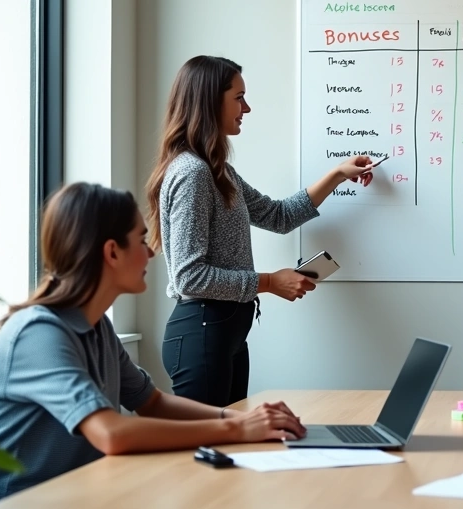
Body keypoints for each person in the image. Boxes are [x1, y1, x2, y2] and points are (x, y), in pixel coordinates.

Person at [0, 182, 307, 509]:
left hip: (75, 502)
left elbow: (152, 402)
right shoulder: (38, 333)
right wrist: (236, 428)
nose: (151, 253)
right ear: (112, 252)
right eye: (141, 240)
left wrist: (245, 420)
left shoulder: (96, 327)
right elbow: (111, 434)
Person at [144, 55, 373, 406]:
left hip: (225, 332)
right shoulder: (193, 173)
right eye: (238, 97)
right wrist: (268, 282)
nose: (246, 108)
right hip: (203, 331)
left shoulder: (218, 172)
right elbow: (189, 277)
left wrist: (338, 174)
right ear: (209, 100)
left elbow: (278, 215)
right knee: (207, 452)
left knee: (231, 448)